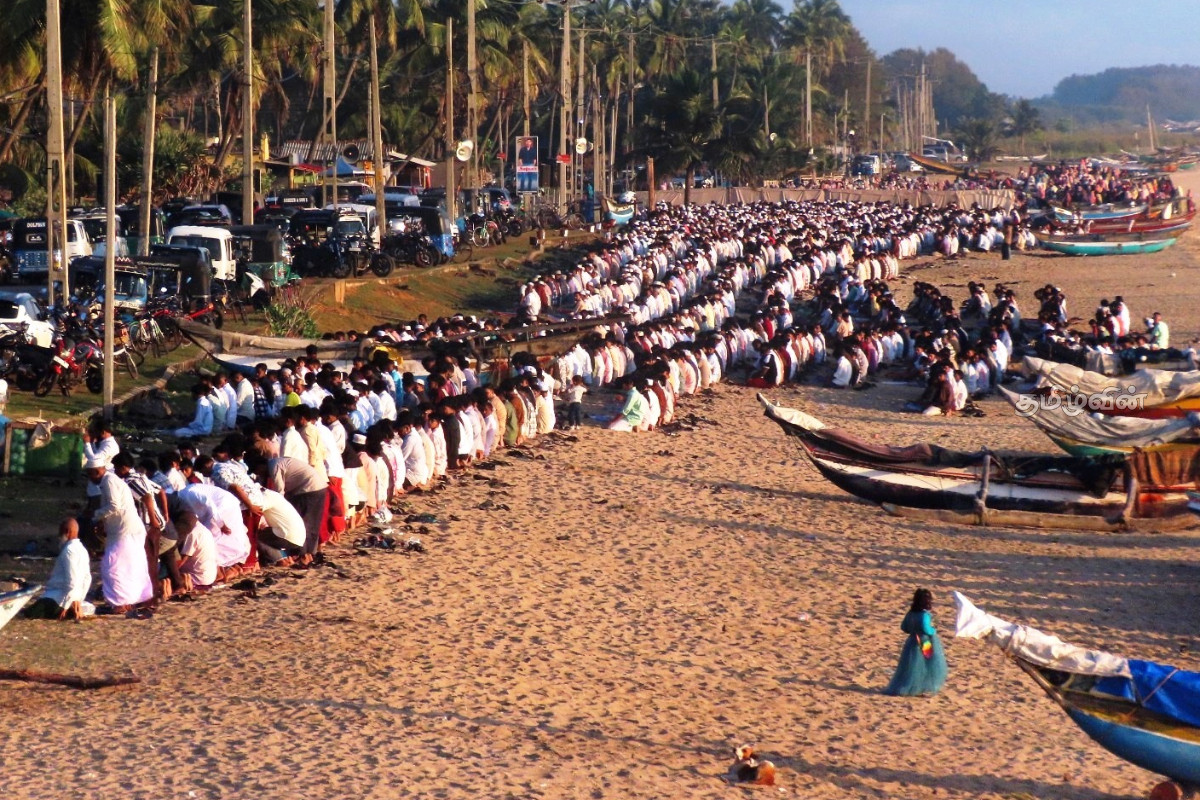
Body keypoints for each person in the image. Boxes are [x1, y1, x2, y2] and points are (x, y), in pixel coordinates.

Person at [87, 455, 155, 610]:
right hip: (124, 530)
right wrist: (102, 522)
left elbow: (114, 506)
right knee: (130, 567)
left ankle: (120, 602)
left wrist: (95, 515)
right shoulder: (109, 481)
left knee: (112, 567)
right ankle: (132, 600)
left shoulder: (109, 481)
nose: (90, 478)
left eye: (90, 474)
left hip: (125, 531)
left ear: (96, 471)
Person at [884, 588, 948, 697]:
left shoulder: (910, 613)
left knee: (909, 665)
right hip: (924, 641)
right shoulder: (924, 615)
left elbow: (904, 627)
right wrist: (933, 630)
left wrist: (913, 630)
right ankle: (922, 687)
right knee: (927, 663)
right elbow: (926, 629)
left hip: (912, 641)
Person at [24, 518, 92, 620]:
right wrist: (79, 599)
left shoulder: (68, 550)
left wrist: (66, 605)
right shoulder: (82, 550)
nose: (59, 537)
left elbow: (72, 580)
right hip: (73, 598)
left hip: (57, 599)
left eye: (61, 534)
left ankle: (67, 612)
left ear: (67, 532)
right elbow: (87, 578)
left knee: (29, 613)